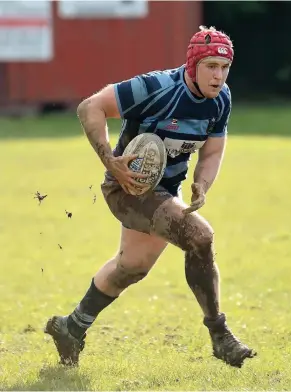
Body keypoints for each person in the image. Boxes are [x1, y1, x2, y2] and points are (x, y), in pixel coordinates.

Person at [45, 25, 256, 368]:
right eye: (210, 67)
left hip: (164, 195)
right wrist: (110, 162)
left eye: (224, 67)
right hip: (127, 189)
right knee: (199, 236)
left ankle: (72, 326)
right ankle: (220, 336)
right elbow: (90, 108)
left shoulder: (221, 100)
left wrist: (202, 183)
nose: (218, 76)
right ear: (193, 65)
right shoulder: (156, 88)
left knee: (131, 267)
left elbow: (213, 151)